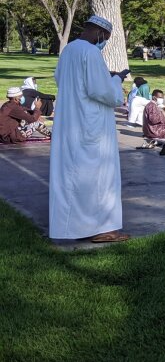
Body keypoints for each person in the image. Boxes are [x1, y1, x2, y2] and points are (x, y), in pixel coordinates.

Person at [50, 15, 130, 243]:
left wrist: (108, 77)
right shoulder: (91, 52)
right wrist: (116, 80)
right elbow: (103, 92)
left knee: (73, 178)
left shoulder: (68, 51)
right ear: (99, 34)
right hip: (91, 126)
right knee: (99, 178)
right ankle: (104, 228)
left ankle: (76, 228)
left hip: (71, 123)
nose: (104, 42)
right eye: (106, 38)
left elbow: (61, 79)